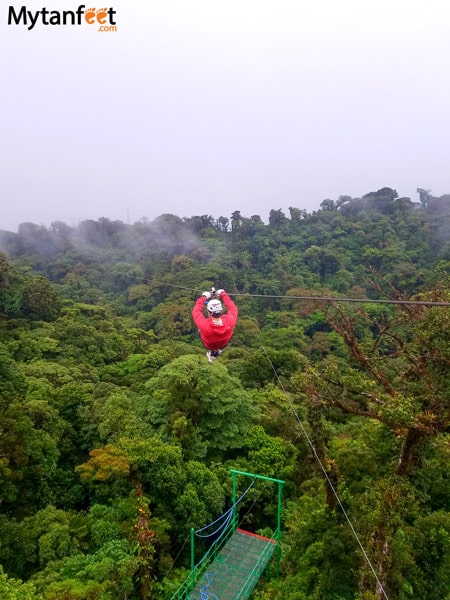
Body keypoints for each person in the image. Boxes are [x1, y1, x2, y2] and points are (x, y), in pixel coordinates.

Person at [192, 288, 238, 362]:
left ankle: (213, 352)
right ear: (221, 310)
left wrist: (204, 297)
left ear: (209, 312)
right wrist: (223, 294)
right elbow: (233, 308)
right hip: (223, 344)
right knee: (228, 327)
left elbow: (196, 311)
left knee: (199, 330)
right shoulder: (229, 321)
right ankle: (216, 351)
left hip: (208, 345)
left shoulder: (204, 325)